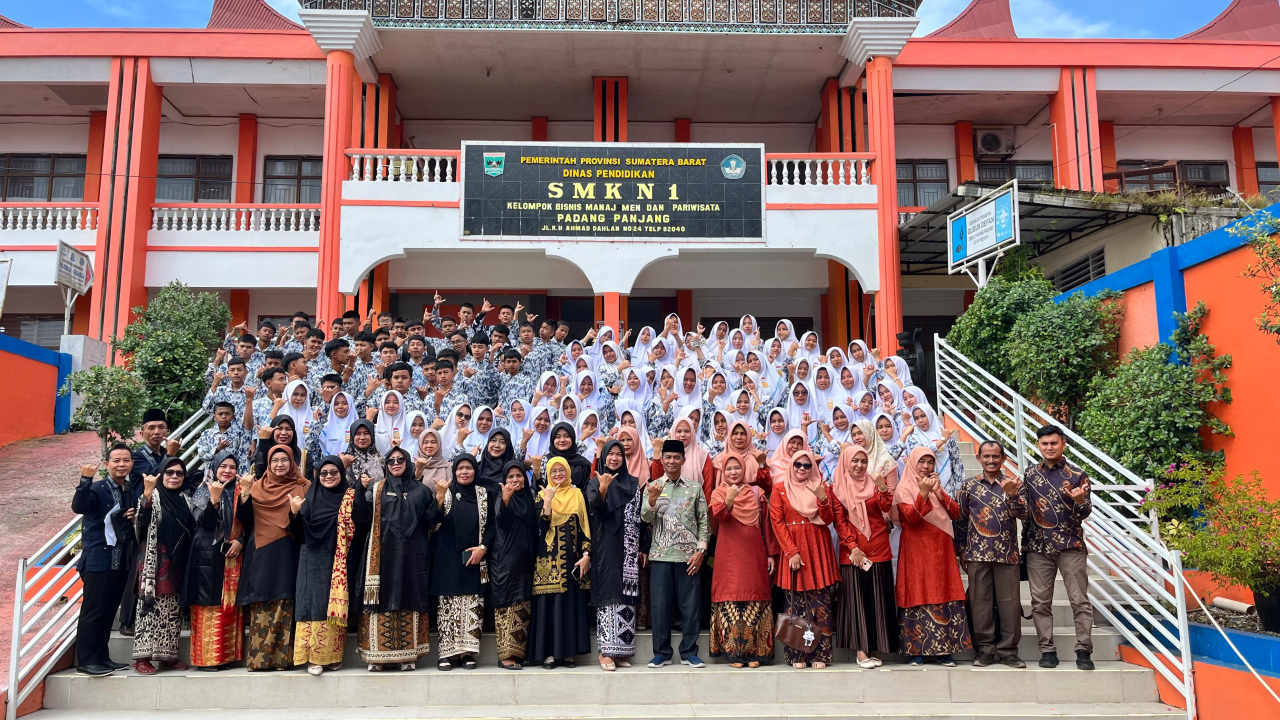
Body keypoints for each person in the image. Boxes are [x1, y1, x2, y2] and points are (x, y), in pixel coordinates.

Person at [358, 446, 439, 671]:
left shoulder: (422, 490)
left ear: (408, 463)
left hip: (413, 554)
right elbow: (361, 517)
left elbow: (431, 519)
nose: (395, 464)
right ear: (386, 465)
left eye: (400, 460)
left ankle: (408, 656)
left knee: (409, 595)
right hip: (383, 552)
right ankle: (377, 656)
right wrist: (359, 489)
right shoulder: (376, 489)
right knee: (381, 597)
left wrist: (440, 498)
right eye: (391, 461)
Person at [1022, 425, 1094, 670]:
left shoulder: (1077, 475)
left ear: (1063, 444)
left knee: (1079, 601)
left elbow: (1084, 513)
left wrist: (1079, 501)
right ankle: (1047, 650)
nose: (1049, 447)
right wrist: (1023, 545)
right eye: (1045, 443)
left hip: (1070, 545)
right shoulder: (1030, 474)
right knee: (1040, 603)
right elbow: (1026, 513)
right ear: (1038, 446)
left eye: (1054, 443)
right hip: (1038, 547)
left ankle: (1084, 650)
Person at [894, 447, 972, 666]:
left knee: (943, 590)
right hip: (916, 549)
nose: (926, 466)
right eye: (921, 462)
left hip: (941, 548)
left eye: (930, 462)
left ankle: (945, 650)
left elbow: (956, 513)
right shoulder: (904, 488)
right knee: (917, 590)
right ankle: (917, 651)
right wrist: (922, 494)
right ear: (912, 463)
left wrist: (938, 492)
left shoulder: (937, 486)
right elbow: (911, 519)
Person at [292, 456, 370, 675]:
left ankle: (332, 657)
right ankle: (312, 658)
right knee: (312, 605)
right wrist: (294, 513)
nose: (328, 477)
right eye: (324, 473)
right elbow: (297, 534)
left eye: (334, 473)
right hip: (312, 558)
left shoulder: (349, 496)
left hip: (340, 557)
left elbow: (362, 520)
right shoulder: (309, 498)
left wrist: (360, 492)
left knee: (334, 606)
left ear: (341, 474)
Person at [236, 444, 310, 670]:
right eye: (275, 460)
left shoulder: (303, 486)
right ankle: (260, 660)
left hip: (289, 550)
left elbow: (306, 524)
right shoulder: (256, 487)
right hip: (262, 551)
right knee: (263, 600)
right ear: (268, 464)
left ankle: (282, 660)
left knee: (285, 600)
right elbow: (245, 519)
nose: (280, 464)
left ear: (292, 462)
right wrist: (245, 493)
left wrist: (294, 514)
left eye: (284, 460)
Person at [957, 440, 1028, 669]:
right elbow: (961, 520)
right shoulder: (968, 486)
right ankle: (985, 650)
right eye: (986, 456)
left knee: (1010, 604)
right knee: (980, 603)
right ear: (978, 458)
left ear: (1004, 459)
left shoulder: (1014, 484)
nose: (991, 460)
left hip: (1007, 554)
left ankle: (1008, 651)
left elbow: (1025, 515)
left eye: (996, 456)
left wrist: (1013, 496)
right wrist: (962, 550)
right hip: (977, 554)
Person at [642, 439, 710, 669]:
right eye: (668, 457)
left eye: (676, 457)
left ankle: (689, 653)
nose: (672, 461)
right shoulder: (653, 486)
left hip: (688, 557)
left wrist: (701, 551)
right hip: (661, 556)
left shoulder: (694, 488)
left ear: (683, 460)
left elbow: (704, 522)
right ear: (662, 460)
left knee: (690, 607)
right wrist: (652, 500)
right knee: (660, 607)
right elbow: (645, 518)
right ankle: (661, 653)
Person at [768, 448, 838, 669]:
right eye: (798, 464)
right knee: (795, 604)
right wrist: (791, 552)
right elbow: (777, 522)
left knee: (821, 603)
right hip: (794, 547)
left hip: (818, 547)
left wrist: (822, 498)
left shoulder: (821, 486)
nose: (802, 469)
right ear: (791, 466)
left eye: (807, 465)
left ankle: (821, 655)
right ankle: (797, 656)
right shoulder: (780, 489)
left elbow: (828, 519)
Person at [829, 445, 898, 668]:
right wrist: (852, 547)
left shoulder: (874, 483)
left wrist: (882, 487)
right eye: (855, 461)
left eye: (863, 461)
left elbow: (886, 506)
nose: (859, 465)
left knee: (878, 601)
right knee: (857, 602)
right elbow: (840, 521)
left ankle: (873, 649)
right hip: (854, 553)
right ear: (846, 462)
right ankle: (860, 652)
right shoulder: (837, 488)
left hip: (879, 547)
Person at [72, 444, 136, 676]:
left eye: (126, 460)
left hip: (120, 561)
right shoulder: (97, 488)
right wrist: (85, 480)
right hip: (98, 561)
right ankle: (87, 660)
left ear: (132, 464)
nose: (121, 465)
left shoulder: (129, 489)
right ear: (107, 464)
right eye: (116, 460)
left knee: (108, 612)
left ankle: (101, 657)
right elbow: (79, 507)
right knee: (93, 612)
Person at [707, 451, 775, 668]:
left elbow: (767, 525)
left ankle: (756, 652)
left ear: (744, 469)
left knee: (755, 598)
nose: (733, 472)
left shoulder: (757, 492)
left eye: (737, 467)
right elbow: (718, 518)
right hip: (729, 554)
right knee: (732, 598)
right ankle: (735, 654)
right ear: (723, 471)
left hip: (754, 553)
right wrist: (729, 499)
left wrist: (771, 554)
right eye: (728, 468)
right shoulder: (718, 492)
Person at [430, 454, 496, 670]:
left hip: (474, 559)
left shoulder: (484, 495)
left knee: (472, 605)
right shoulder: (446, 492)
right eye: (460, 468)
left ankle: (467, 654)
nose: (464, 472)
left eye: (469, 468)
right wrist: (439, 498)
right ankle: (446, 654)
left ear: (475, 470)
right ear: (454, 471)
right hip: (447, 558)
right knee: (448, 607)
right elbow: (432, 521)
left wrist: (483, 548)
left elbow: (492, 525)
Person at [131, 456, 196, 674]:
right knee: (150, 610)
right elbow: (142, 522)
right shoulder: (152, 496)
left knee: (171, 611)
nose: (174, 477)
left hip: (178, 563)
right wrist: (147, 495)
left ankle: (167, 657)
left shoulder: (186, 500)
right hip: (155, 562)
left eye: (179, 473)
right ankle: (142, 658)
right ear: (161, 475)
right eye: (169, 473)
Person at [120, 409, 179, 636]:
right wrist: (170, 456)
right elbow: (154, 479)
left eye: (161, 427)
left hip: (162, 519)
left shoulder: (165, 453)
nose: (157, 432)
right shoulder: (137, 457)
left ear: (167, 430)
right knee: (137, 569)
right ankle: (127, 620)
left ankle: (152, 615)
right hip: (142, 519)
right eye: (151, 428)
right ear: (143, 431)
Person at [531, 456, 593, 669]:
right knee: (549, 607)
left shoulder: (577, 494)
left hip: (573, 561)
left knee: (569, 607)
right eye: (554, 471)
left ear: (568, 472)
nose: (558, 474)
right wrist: (548, 500)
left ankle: (568, 654)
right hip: (548, 561)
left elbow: (585, 527)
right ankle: (549, 654)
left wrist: (587, 555)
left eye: (562, 470)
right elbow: (540, 527)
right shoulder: (541, 494)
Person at [587, 439, 643, 670]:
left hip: (629, 548)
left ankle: (622, 651)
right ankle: (606, 652)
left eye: (619, 454)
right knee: (609, 594)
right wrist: (603, 488)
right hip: (606, 545)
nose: (614, 458)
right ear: (604, 457)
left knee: (626, 595)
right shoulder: (594, 482)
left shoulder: (633, 483)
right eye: (610, 454)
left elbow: (639, 517)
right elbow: (596, 510)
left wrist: (642, 547)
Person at [186, 452, 245, 671]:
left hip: (232, 557)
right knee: (208, 606)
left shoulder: (240, 491)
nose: (228, 471)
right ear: (214, 468)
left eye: (232, 467)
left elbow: (249, 521)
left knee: (228, 606)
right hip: (206, 556)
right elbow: (204, 522)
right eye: (223, 466)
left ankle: (226, 657)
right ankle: (207, 659)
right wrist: (214, 500)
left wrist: (241, 540)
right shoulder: (203, 490)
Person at [489, 461, 538, 669]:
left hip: (525, 562)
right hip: (505, 562)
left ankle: (518, 653)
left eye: (519, 475)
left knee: (522, 606)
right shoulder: (501, 498)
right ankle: (505, 656)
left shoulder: (528, 499)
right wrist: (506, 500)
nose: (515, 479)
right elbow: (501, 521)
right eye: (510, 476)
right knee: (507, 605)